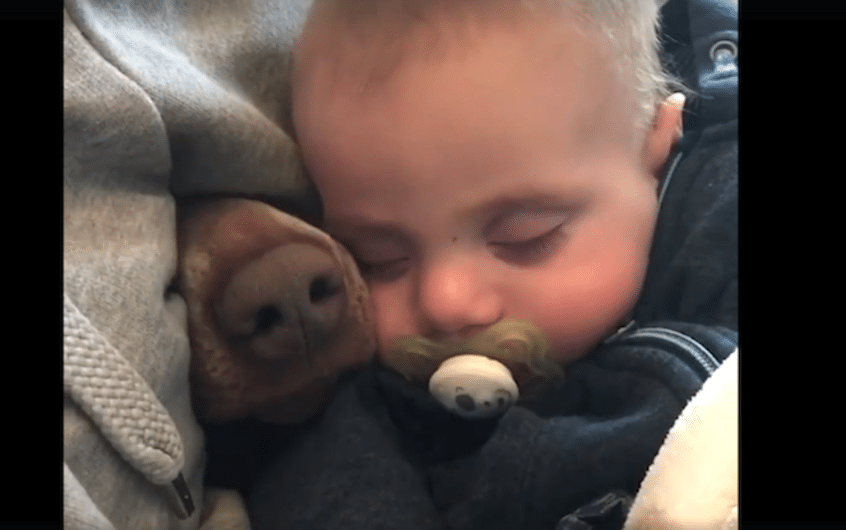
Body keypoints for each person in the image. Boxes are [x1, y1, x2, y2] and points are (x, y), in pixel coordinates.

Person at [220, 0, 738, 529]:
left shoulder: (719, 214)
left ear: (655, 141)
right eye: (380, 259)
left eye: (524, 237)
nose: (446, 303)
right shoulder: (375, 404)